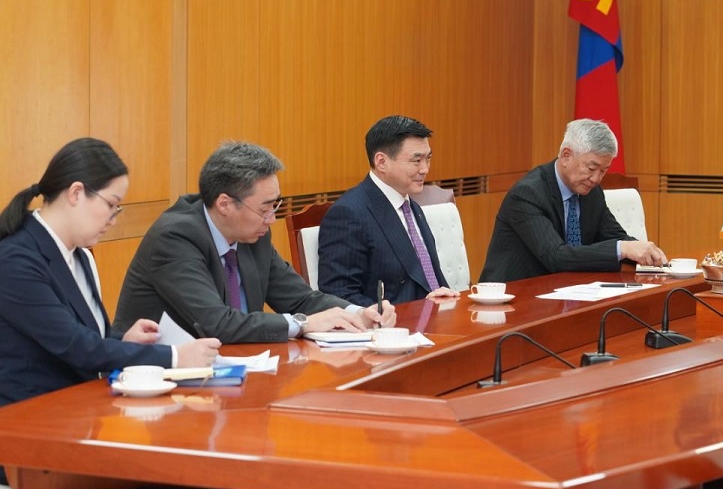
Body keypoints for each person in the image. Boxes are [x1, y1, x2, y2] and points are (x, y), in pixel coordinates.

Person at [0, 138, 220, 463]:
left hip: (78, 415)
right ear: (76, 193)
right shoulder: (16, 260)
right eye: (111, 205)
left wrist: (121, 340)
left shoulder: (80, 255)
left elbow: (82, 337)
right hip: (27, 429)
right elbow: (74, 345)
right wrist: (175, 356)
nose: (113, 219)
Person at [115, 142, 395, 343]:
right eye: (264, 209)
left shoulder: (253, 233)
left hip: (237, 366)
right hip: (158, 377)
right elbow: (217, 323)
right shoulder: (176, 237)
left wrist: (357, 314)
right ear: (225, 204)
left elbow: (301, 298)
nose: (271, 219)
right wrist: (303, 323)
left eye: (275, 206)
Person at [480, 119, 667, 281]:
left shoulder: (591, 192)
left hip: (563, 292)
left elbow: (614, 237)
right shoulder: (527, 194)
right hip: (511, 297)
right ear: (566, 156)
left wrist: (645, 253)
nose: (596, 179)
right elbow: (556, 256)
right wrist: (623, 248)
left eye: (603, 171)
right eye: (591, 168)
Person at [318, 116, 457, 306]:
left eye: (428, 159)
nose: (425, 169)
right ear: (382, 161)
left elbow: (428, 279)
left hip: (435, 316)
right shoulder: (349, 213)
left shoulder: (411, 206)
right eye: (416, 160)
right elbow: (339, 294)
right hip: (394, 322)